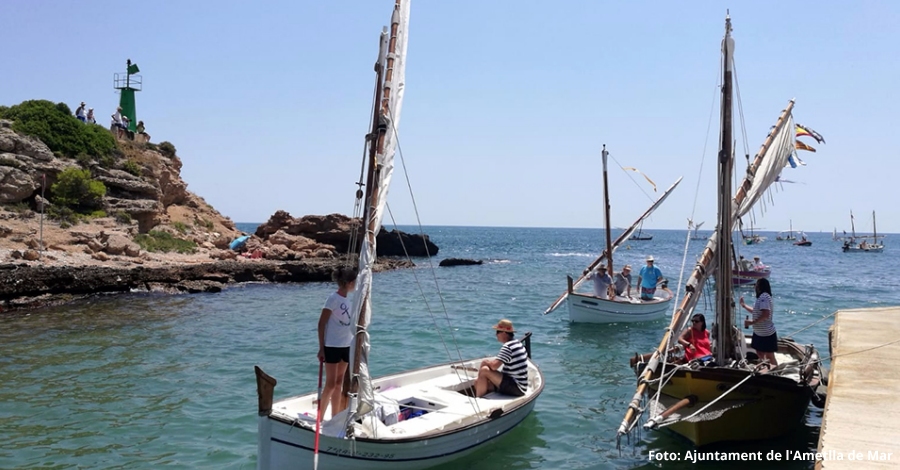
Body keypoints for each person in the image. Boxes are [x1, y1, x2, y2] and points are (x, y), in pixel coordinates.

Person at [317, 266, 358, 417]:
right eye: (354, 282)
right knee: (330, 384)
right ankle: (320, 417)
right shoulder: (333, 299)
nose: (356, 285)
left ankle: (334, 415)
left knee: (339, 382)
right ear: (349, 283)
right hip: (332, 345)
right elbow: (321, 323)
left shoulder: (349, 301)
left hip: (346, 345)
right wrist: (321, 348)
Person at [475, 319, 528, 398]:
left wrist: (486, 362)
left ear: (504, 333)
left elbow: (494, 366)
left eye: (497, 332)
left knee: (484, 370)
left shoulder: (508, 347)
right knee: (477, 382)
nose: (496, 335)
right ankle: (485, 395)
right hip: (520, 385)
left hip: (516, 387)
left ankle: (478, 400)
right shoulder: (517, 343)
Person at [740, 278, 778, 367]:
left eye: (756, 285)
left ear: (760, 286)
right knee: (759, 353)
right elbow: (756, 311)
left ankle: (775, 371)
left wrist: (751, 322)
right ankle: (766, 368)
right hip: (759, 333)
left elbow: (766, 314)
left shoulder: (764, 297)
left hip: (766, 333)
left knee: (769, 356)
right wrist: (744, 306)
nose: (755, 287)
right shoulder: (761, 298)